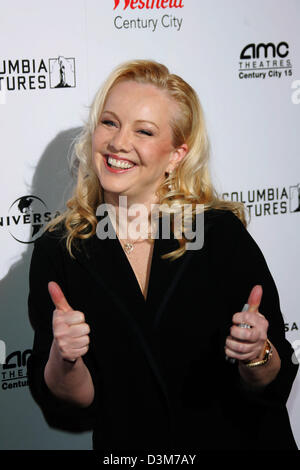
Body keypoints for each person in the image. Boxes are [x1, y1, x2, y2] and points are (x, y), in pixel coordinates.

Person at [27, 59, 298, 451]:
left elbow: (274, 374)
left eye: (144, 131)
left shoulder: (218, 232)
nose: (119, 142)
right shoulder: (62, 248)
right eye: (110, 122)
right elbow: (73, 407)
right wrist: (63, 358)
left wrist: (258, 353)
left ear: (176, 155)